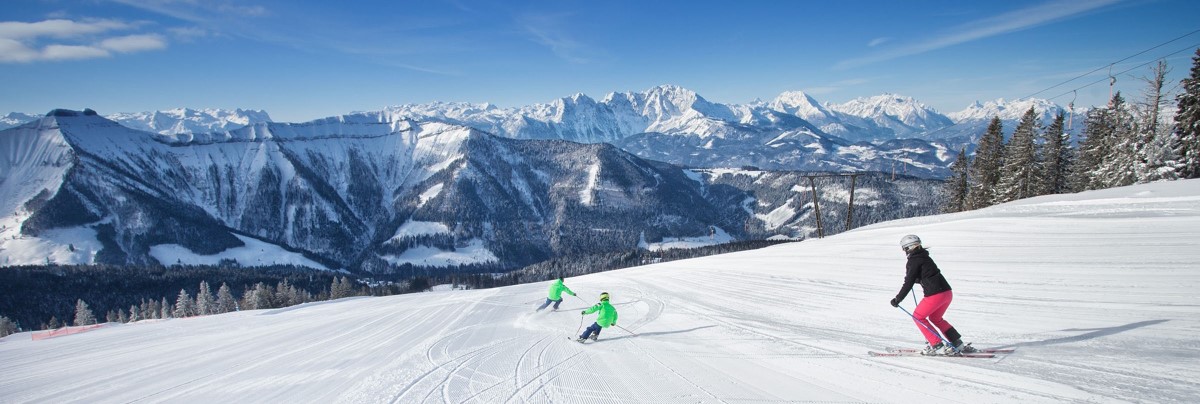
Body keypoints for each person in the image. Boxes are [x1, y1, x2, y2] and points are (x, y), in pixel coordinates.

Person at [889, 234, 976, 355]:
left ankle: (936, 344)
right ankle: (957, 343)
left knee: (918, 317)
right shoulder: (925, 257)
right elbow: (928, 274)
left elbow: (908, 282)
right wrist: (917, 279)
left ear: (908, 248)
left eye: (904, 249)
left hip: (935, 295)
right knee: (936, 318)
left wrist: (898, 299)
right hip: (947, 293)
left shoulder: (913, 260)